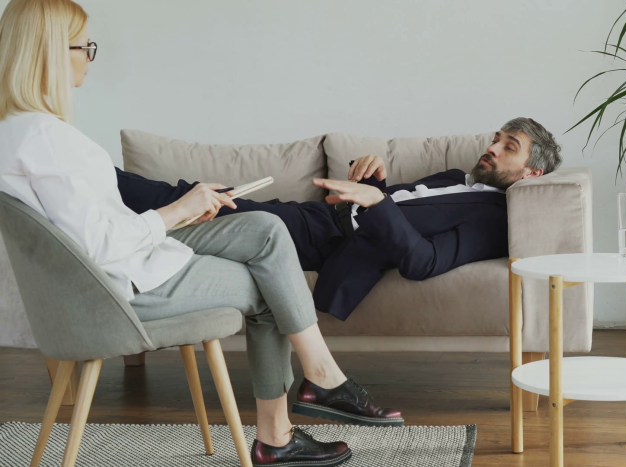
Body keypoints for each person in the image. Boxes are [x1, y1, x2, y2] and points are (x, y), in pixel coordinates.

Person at [0, 1, 400, 466]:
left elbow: (91, 233)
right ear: (49, 53)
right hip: (118, 288)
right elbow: (101, 246)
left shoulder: (17, 132)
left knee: (267, 230)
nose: (89, 57)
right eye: (83, 47)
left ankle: (315, 384)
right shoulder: (48, 139)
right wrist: (176, 211)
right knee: (273, 282)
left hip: (112, 267)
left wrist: (185, 213)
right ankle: (288, 422)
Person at [117, 117, 563, 319]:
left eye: (510, 147)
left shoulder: (493, 217)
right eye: (498, 138)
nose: (493, 147)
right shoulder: (456, 178)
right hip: (320, 216)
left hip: (331, 242)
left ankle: (103, 183)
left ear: (532, 172)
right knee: (209, 197)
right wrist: (377, 179)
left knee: (198, 199)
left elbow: (422, 260)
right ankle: (109, 204)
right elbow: (398, 206)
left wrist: (376, 202)